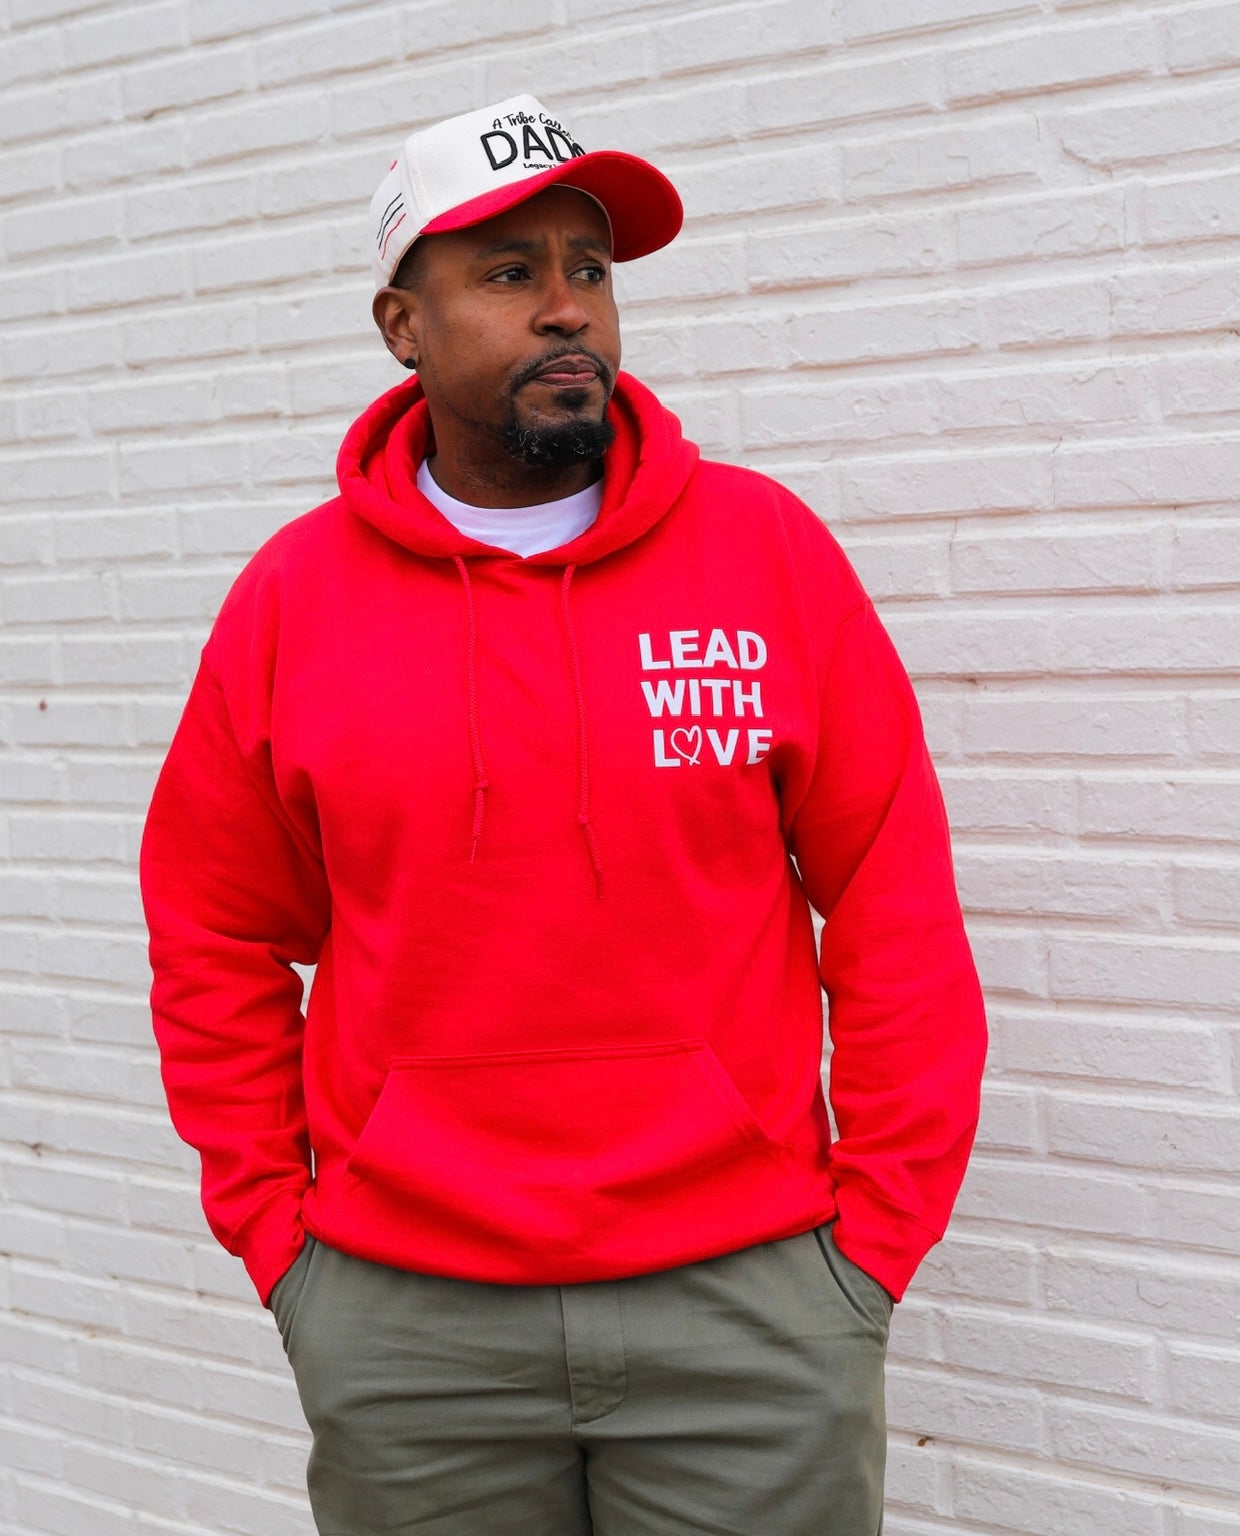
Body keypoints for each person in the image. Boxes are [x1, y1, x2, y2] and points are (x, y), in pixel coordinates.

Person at [140, 92, 988, 1536]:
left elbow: (895, 903)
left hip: (750, 1307)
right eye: (508, 273)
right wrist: (286, 1251)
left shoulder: (764, 557)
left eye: (589, 272)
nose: (567, 314)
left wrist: (872, 1243)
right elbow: (215, 931)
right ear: (401, 326)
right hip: (409, 1328)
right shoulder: (294, 602)